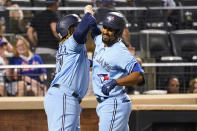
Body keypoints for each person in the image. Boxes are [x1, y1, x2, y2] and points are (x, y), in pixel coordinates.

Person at [90, 9, 145, 130]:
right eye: (105, 27)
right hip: (106, 103)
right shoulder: (101, 40)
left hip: (114, 103)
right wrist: (90, 16)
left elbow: (139, 76)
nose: (105, 31)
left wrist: (115, 82)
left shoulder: (121, 52)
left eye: (110, 29)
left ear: (118, 32)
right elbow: (95, 33)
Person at [44, 5, 95, 130]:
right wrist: (88, 13)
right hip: (64, 97)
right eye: (75, 26)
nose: (78, 27)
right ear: (69, 29)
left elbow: (88, 64)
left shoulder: (70, 49)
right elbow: (82, 29)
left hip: (65, 97)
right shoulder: (71, 43)